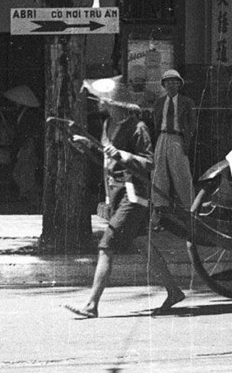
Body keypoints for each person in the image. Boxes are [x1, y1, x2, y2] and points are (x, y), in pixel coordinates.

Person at [63, 77, 184, 318]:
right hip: (116, 195)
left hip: (134, 196)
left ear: (113, 103)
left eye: (103, 101)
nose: (99, 103)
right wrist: (87, 145)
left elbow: (150, 163)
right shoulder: (108, 124)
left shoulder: (138, 128)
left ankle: (91, 305)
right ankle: (174, 291)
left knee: (106, 245)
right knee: (144, 246)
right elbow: (106, 158)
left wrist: (124, 154)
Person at [150, 69, 196, 210]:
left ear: (179, 84)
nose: (171, 85)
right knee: (159, 172)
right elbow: (155, 122)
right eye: (168, 82)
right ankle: (159, 207)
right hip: (162, 137)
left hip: (178, 138)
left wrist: (187, 139)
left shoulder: (186, 102)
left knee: (181, 172)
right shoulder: (159, 102)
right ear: (164, 85)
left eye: (174, 81)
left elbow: (192, 124)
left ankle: (190, 207)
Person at [4, 85, 44, 209]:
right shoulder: (24, 113)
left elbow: (26, 132)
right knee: (23, 172)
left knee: (24, 173)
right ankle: (29, 197)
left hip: (29, 147)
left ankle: (33, 199)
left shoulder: (29, 114)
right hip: (27, 147)